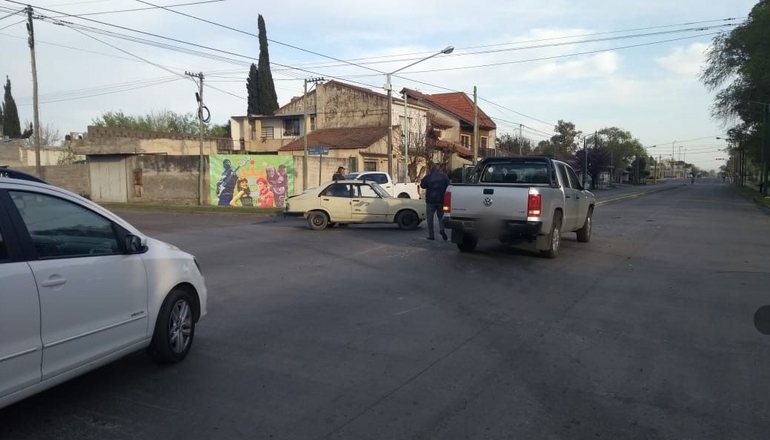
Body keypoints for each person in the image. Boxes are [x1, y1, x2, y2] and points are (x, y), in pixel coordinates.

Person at [420, 164, 450, 241]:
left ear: (431, 169)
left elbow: (422, 185)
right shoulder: (444, 176)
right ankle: (442, 229)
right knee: (440, 217)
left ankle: (431, 235)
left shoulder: (428, 177)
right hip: (441, 200)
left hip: (430, 201)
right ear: (438, 169)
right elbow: (449, 185)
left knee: (430, 219)